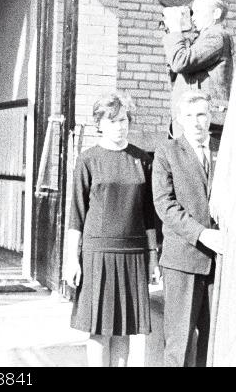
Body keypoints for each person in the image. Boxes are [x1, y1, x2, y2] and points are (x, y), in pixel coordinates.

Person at [64, 92, 159, 367]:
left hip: (132, 253)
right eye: (114, 120)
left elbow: (149, 216)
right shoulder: (88, 159)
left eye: (124, 119)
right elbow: (76, 214)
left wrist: (152, 258)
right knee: (98, 327)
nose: (120, 125)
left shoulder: (142, 160)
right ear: (100, 124)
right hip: (97, 253)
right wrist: (72, 259)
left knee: (124, 327)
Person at [152, 90, 223, 367]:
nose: (196, 122)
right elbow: (164, 204)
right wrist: (203, 233)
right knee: (179, 341)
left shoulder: (224, 150)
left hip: (220, 262)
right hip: (183, 259)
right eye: (190, 116)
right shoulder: (167, 153)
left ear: (210, 116)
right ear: (180, 119)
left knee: (214, 340)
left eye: (202, 115)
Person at [161, 0, 234, 141]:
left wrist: (175, 30)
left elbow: (180, 62)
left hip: (204, 121)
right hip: (191, 119)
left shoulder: (216, 36)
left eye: (198, 11)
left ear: (216, 13)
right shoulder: (202, 38)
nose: (193, 17)